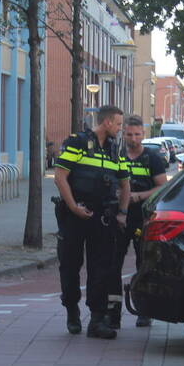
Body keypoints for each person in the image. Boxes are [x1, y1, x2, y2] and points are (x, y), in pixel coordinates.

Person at [53, 105, 130, 339]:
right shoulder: (77, 143)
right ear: (107, 123)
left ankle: (96, 320)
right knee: (70, 264)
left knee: (101, 269)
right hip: (74, 216)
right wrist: (74, 206)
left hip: (102, 217)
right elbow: (60, 176)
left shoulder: (115, 151)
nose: (120, 129)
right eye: (118, 124)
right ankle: (72, 310)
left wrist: (122, 212)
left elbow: (125, 184)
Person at [107, 115, 167, 328]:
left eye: (138, 134)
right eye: (130, 134)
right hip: (120, 216)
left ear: (144, 134)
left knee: (144, 263)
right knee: (113, 263)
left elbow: (162, 186)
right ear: (124, 134)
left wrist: (139, 196)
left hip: (143, 217)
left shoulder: (152, 158)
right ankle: (113, 313)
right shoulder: (117, 156)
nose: (134, 138)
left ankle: (144, 311)